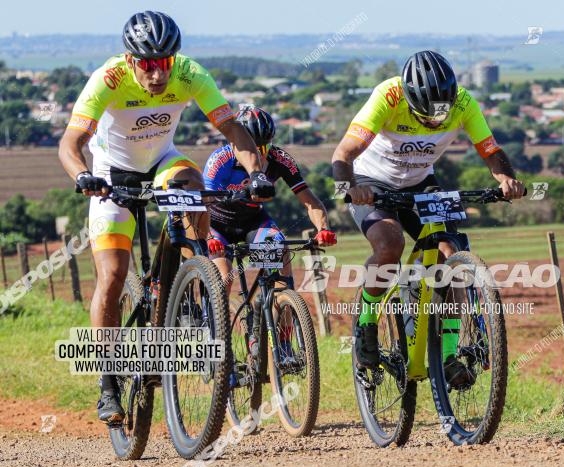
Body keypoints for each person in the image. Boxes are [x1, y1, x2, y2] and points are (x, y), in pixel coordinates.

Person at [58, 11, 274, 424]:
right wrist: (82, 175)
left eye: (166, 62)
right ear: (130, 58)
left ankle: (192, 278)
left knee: (191, 181)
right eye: (148, 64)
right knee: (113, 276)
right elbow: (71, 143)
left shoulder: (190, 73)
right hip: (109, 175)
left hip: (161, 162)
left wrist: (257, 174)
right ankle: (108, 383)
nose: (158, 74)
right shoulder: (108, 79)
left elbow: (232, 130)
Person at [331, 50, 525, 384]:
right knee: (390, 245)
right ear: (408, 97)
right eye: (425, 117)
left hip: (421, 183)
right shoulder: (387, 96)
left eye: (439, 117)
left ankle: (448, 354)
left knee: (451, 256)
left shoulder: (463, 102)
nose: (433, 124)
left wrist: (506, 179)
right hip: (371, 182)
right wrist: (349, 187)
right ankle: (366, 322)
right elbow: (343, 154)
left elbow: (490, 151)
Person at [203, 105, 336, 291]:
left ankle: (281, 313)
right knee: (225, 278)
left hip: (253, 222)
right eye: (252, 147)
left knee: (279, 264)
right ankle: (215, 319)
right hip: (217, 225)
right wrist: (208, 237)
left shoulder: (280, 159)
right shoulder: (220, 160)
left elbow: (309, 200)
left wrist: (323, 229)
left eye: (265, 147)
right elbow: (204, 202)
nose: (259, 153)